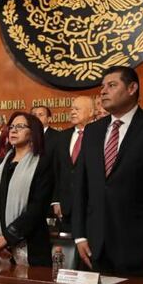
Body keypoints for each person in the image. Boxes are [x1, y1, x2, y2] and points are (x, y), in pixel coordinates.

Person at [72, 66, 143, 276]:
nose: (103, 91)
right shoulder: (93, 131)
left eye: (112, 85)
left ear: (132, 88)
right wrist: (79, 235)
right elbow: (81, 186)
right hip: (95, 248)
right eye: (102, 86)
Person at [0, 112, 54, 267]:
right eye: (11, 127)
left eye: (20, 126)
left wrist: (8, 238)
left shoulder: (42, 164)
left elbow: (38, 207)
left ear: (33, 132)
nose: (13, 130)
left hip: (31, 246)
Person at [52, 96, 94, 233]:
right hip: (66, 208)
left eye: (77, 109)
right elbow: (56, 170)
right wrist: (56, 200)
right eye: (71, 109)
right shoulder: (62, 136)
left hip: (92, 206)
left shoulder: (99, 134)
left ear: (91, 112)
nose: (72, 112)